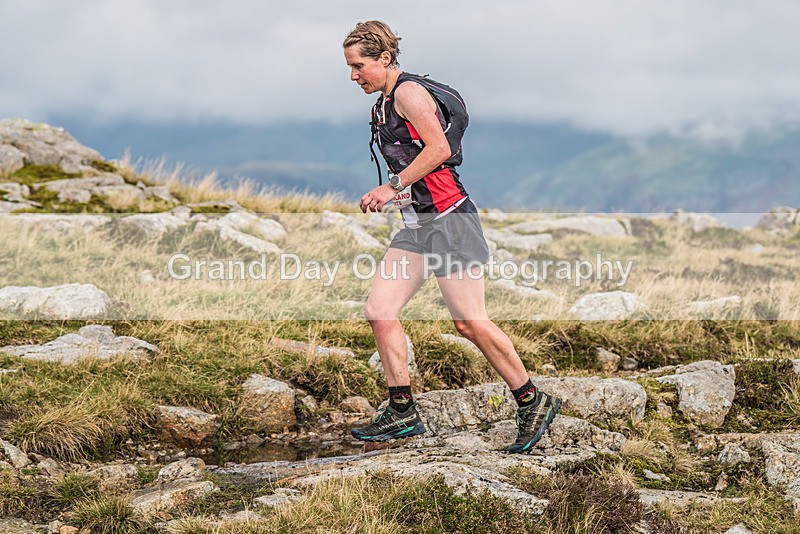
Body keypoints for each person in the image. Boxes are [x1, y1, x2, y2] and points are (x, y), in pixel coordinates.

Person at [343, 20, 561, 453]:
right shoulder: (383, 103)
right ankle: (402, 411)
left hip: (450, 220)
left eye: (358, 65)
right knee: (379, 311)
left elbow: (439, 149)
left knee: (468, 322)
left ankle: (533, 401)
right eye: (349, 67)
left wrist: (393, 186)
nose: (353, 75)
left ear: (384, 59)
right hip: (418, 224)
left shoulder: (408, 93)